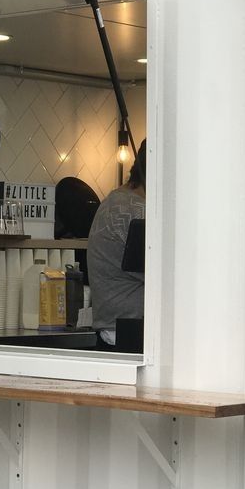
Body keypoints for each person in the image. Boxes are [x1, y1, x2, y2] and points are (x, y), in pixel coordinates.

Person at [87, 139, 146, 348]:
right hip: (132, 337)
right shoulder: (135, 210)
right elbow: (171, 275)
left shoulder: (116, 201)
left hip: (117, 333)